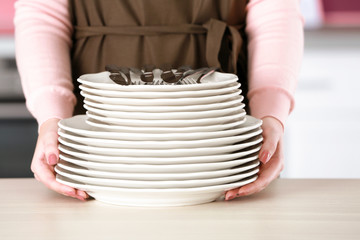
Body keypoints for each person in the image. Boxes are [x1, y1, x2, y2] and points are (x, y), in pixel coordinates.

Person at [14, 0, 304, 201]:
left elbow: (275, 12)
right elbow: (42, 15)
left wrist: (270, 113)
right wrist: (51, 116)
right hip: (103, 117)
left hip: (217, 122)